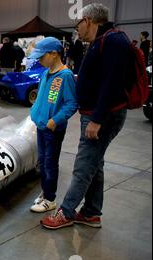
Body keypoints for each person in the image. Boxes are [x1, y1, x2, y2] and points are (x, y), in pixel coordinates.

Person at [41, 3, 132, 229]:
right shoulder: (100, 42)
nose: (77, 29)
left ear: (88, 21)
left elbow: (113, 84)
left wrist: (97, 120)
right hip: (94, 114)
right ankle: (91, 212)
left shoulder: (113, 41)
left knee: (83, 166)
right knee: (94, 164)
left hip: (101, 117)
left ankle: (66, 212)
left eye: (77, 23)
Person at [27, 37, 78, 213]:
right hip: (41, 126)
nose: (39, 60)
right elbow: (42, 97)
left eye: (42, 56)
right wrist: (35, 111)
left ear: (54, 54)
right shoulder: (45, 73)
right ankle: (46, 191)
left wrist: (54, 120)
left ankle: (50, 199)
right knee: (43, 162)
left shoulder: (65, 76)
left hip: (52, 130)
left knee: (50, 164)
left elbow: (71, 104)